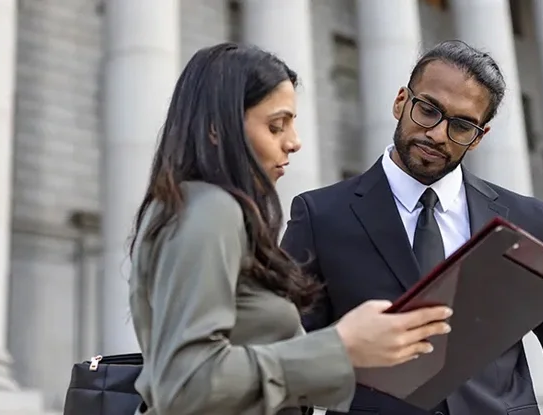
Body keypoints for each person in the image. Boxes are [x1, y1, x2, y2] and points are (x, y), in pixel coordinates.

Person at [280, 40, 543, 415]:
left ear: (479, 137)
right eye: (428, 110)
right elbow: (292, 359)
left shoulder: (527, 220)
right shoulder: (321, 215)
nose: (438, 134)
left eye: (461, 125)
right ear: (400, 101)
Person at [126, 42, 453, 415]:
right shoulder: (208, 211)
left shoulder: (199, 208)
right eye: (275, 125)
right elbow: (184, 383)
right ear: (217, 129)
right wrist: (341, 345)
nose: (294, 142)